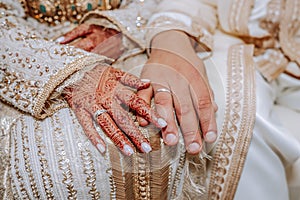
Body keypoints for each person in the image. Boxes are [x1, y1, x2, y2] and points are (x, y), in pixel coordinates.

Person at [0, 1, 299, 200]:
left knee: (206, 114)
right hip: (26, 59)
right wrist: (63, 69)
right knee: (60, 163)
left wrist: (121, 28)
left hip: (130, 39)